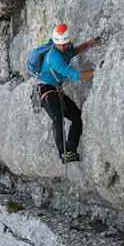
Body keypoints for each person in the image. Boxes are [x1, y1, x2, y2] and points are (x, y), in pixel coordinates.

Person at [31, 23, 101, 163]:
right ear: (55, 43)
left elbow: (73, 52)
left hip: (55, 90)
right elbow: (75, 75)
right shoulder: (54, 58)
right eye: (60, 45)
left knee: (77, 116)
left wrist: (90, 43)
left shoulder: (66, 48)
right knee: (58, 117)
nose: (63, 47)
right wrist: (99, 72)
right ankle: (64, 153)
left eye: (65, 44)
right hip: (44, 89)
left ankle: (71, 150)